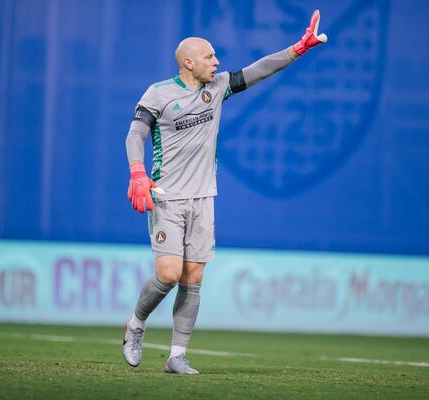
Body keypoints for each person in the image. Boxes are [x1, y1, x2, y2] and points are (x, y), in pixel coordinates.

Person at [123, 9, 328, 375]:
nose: (216, 62)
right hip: (167, 196)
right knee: (168, 273)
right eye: (209, 56)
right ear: (188, 62)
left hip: (204, 198)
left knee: (194, 277)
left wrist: (297, 49)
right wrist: (137, 172)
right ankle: (136, 323)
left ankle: (177, 356)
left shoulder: (217, 89)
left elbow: (260, 69)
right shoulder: (160, 93)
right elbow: (135, 134)